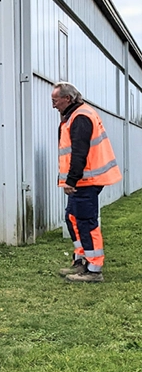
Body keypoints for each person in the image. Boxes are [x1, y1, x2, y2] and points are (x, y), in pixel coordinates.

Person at [51, 82, 122, 283]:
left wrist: (71, 180)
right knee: (72, 218)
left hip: (86, 180)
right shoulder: (76, 115)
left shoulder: (81, 117)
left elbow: (79, 152)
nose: (54, 105)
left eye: (55, 101)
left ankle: (94, 269)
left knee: (85, 221)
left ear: (67, 99)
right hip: (84, 179)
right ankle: (82, 260)